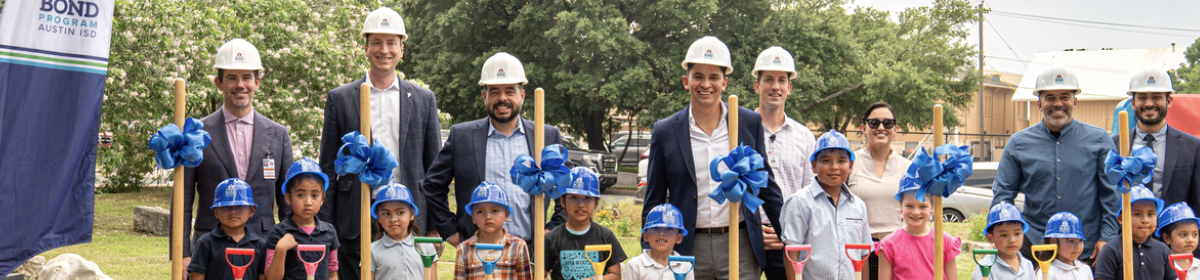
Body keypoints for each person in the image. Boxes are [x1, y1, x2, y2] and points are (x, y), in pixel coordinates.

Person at [641, 35, 784, 280]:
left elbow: (766, 186)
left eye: (713, 77)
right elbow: (654, 194)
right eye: (698, 76)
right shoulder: (665, 131)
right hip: (687, 245)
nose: (705, 84)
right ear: (686, 81)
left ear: (724, 82)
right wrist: (648, 251)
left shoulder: (748, 123)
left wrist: (788, 233)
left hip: (739, 243)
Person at [319, 8, 442, 280]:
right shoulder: (339, 99)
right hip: (354, 217)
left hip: (409, 216)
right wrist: (325, 227)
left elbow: (434, 171)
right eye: (376, 42)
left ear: (401, 49)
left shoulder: (423, 99)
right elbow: (327, 167)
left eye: (391, 43)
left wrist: (433, 227)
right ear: (365, 47)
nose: (383, 49)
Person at [422, 52, 568, 249]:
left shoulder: (547, 137)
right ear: (484, 96)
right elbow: (432, 185)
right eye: (494, 92)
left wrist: (554, 228)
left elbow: (568, 187)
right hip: (477, 252)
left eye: (510, 91)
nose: (502, 98)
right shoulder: (462, 137)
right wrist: (451, 232)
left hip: (529, 253)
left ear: (522, 95)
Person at [180, 38, 294, 272]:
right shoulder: (194, 134)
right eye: (232, 77)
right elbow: (182, 199)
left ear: (257, 82)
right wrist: (182, 253)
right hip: (210, 248)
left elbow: (287, 201)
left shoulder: (278, 135)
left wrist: (288, 249)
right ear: (219, 83)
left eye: (246, 78)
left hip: (264, 246)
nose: (239, 85)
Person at [992, 64, 1119, 264]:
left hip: (1084, 247)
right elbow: (1003, 194)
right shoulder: (1018, 143)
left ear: (1075, 101)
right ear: (1039, 104)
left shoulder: (1100, 140)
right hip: (1034, 246)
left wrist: (1107, 237)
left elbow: (1111, 195)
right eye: (1050, 97)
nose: (1058, 103)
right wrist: (1000, 232)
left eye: (1064, 97)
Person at [1112, 67, 1200, 248]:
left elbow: (1198, 203)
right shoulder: (1113, 146)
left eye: (1156, 97)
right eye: (1142, 97)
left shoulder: (1193, 147)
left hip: (1174, 248)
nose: (1149, 103)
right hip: (1125, 247)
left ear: (1169, 101)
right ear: (1133, 102)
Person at [750, 46, 814, 280]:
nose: (775, 86)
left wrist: (785, 232)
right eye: (768, 80)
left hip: (789, 241)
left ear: (790, 87)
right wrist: (756, 229)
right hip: (746, 238)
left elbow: (810, 193)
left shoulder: (805, 136)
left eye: (781, 80)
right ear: (757, 86)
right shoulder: (740, 130)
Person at [779, 130, 872, 280]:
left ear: (850, 166)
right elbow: (791, 252)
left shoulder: (858, 206)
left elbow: (863, 254)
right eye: (826, 161)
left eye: (841, 161)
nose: (834, 167)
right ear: (814, 165)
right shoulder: (800, 202)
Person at [848, 101, 911, 280]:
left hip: (897, 251)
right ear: (863, 128)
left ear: (896, 129)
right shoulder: (849, 164)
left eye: (888, 123)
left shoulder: (908, 168)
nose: (881, 127)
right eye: (874, 123)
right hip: (859, 252)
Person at [545, 168, 628, 280]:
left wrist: (594, 279)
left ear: (596, 203)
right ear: (563, 201)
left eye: (587, 198)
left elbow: (615, 275)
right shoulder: (551, 238)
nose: (580, 204)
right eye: (573, 197)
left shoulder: (606, 236)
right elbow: (539, 273)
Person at [266, 159, 340, 280]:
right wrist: (280, 250)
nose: (308, 202)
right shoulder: (278, 233)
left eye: (314, 195)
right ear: (288, 197)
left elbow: (332, 273)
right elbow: (271, 278)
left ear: (322, 198)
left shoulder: (329, 232)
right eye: (300, 195)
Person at [876, 176, 960, 280]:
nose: (916, 212)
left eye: (922, 206)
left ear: (932, 208)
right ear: (900, 206)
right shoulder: (888, 244)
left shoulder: (945, 241)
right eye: (909, 206)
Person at [188, 178, 269, 280]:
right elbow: (196, 277)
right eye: (226, 206)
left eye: (240, 206)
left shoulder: (260, 245)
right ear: (216, 212)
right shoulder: (205, 243)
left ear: (251, 211)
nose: (233, 211)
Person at [453, 181, 533, 279]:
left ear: (506, 215)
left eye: (495, 210)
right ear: (473, 217)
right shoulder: (464, 249)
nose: (488, 217)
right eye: (480, 211)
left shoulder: (518, 246)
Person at [1094, 185, 1174, 280]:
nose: (1145, 220)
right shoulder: (1110, 250)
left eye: (1150, 214)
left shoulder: (1164, 250)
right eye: (1137, 214)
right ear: (1121, 219)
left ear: (1156, 217)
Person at [370, 182, 437, 279]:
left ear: (412, 214)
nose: (393, 219)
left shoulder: (426, 247)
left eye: (400, 212)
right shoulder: (371, 251)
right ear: (378, 216)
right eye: (386, 213)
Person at [624, 203, 694, 280]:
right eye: (655, 227)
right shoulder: (635, 265)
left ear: (678, 238)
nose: (661, 233)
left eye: (669, 228)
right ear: (645, 235)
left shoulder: (685, 267)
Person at [971, 202, 1035, 280]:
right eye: (1004, 235)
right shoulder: (985, 267)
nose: (1012, 240)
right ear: (990, 238)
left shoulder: (1028, 265)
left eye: (1017, 233)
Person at [1034, 212, 1092, 280]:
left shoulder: (1085, 269)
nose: (1078, 246)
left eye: (1080, 241)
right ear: (1053, 242)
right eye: (1071, 241)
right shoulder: (1048, 272)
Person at [1157, 202, 1200, 279]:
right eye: (1183, 235)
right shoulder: (1160, 267)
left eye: (1195, 235)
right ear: (1166, 238)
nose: (1190, 240)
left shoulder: (1198, 266)